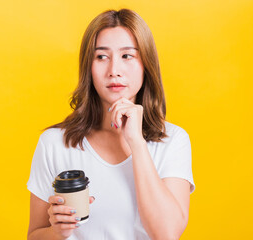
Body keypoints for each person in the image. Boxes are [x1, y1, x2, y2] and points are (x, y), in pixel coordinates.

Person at [27, 8, 195, 240]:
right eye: (101, 57)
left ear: (146, 64)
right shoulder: (54, 143)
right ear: (89, 67)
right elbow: (34, 235)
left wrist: (136, 142)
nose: (114, 71)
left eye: (127, 56)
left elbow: (166, 234)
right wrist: (57, 232)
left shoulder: (173, 141)